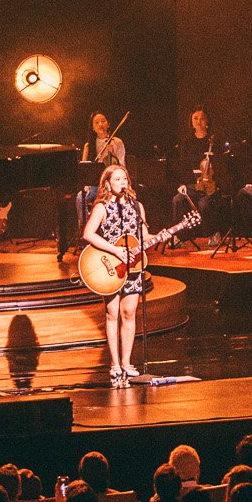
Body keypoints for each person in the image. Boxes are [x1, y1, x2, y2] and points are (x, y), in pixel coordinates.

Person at [83, 163, 152, 385]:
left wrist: (157, 237)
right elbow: (88, 234)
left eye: (125, 179)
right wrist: (114, 250)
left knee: (129, 312)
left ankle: (127, 363)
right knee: (112, 312)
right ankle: (114, 364)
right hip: (110, 265)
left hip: (132, 266)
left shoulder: (136, 206)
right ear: (107, 184)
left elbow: (143, 233)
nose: (122, 183)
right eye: (117, 179)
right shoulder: (102, 208)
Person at [170, 106, 225, 243]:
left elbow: (222, 166)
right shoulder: (187, 142)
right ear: (191, 121)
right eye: (195, 118)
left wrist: (214, 163)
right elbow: (183, 166)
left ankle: (213, 233)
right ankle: (180, 235)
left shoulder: (214, 141)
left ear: (207, 121)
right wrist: (182, 184)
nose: (198, 122)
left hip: (211, 185)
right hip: (193, 184)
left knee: (204, 204)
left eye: (202, 119)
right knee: (178, 199)